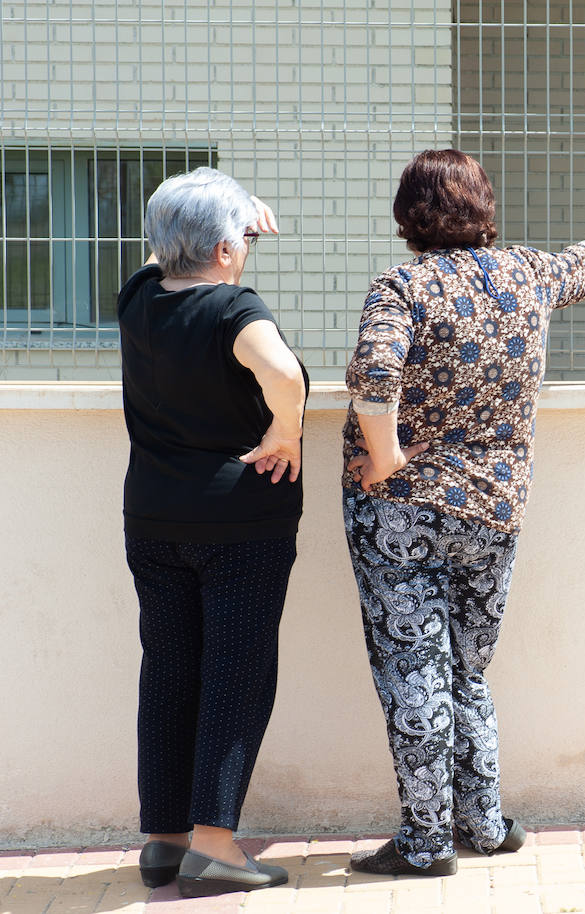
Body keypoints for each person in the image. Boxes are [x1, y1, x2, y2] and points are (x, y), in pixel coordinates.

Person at [342, 149, 585, 876]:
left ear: (407, 215)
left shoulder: (403, 285)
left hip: (402, 512)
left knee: (414, 668)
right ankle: (482, 823)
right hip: (494, 510)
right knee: (467, 667)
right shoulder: (527, 274)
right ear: (484, 208)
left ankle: (425, 843)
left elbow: (376, 372)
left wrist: (385, 457)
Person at [119, 167, 308, 897]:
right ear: (228, 249)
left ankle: (164, 841)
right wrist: (284, 434)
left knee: (169, 671)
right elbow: (283, 375)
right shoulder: (236, 309)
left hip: (154, 519)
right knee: (236, 674)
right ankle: (215, 847)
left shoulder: (140, 298)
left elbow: (165, 253)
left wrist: (220, 219)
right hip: (240, 523)